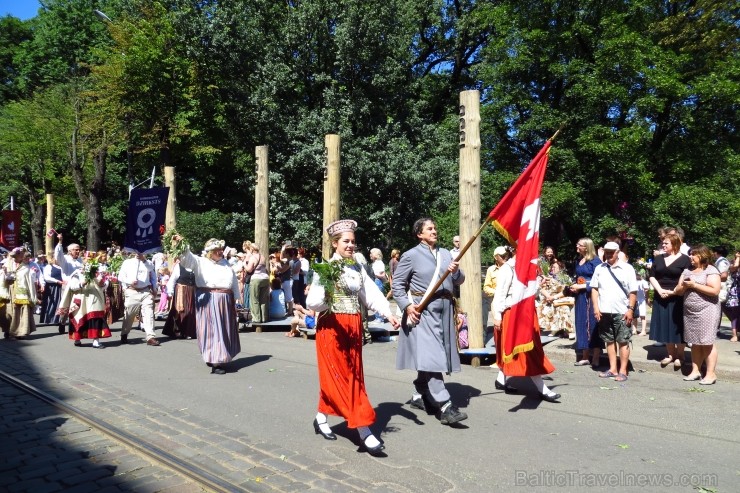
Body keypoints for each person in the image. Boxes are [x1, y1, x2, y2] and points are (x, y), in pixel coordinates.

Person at [306, 219, 399, 455]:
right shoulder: (326, 269)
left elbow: (371, 294)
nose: (350, 246)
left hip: (354, 326)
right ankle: (364, 430)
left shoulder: (357, 267)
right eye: (346, 242)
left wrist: (388, 313)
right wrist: (327, 292)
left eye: (353, 242)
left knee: (351, 375)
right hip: (333, 328)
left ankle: (321, 417)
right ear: (335, 244)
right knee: (345, 379)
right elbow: (312, 303)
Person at [391, 217, 468, 425]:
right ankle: (445, 406)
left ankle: (420, 391)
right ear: (420, 234)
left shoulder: (445, 253)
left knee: (434, 353)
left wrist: (455, 271)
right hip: (423, 312)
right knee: (433, 356)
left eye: (435, 228)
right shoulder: (410, 255)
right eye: (429, 228)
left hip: (445, 311)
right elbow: (397, 285)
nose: (434, 231)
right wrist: (407, 307)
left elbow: (460, 280)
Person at [492, 246, 560, 402]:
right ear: (516, 251)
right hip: (512, 313)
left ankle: (501, 379)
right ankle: (542, 388)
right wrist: (497, 316)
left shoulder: (527, 268)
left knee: (516, 349)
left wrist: (539, 283)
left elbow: (530, 293)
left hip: (527, 313)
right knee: (527, 351)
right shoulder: (507, 269)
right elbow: (500, 294)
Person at [173, 237, 241, 374]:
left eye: (221, 250)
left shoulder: (226, 264)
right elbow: (187, 258)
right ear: (210, 252)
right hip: (208, 299)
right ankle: (216, 362)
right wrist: (182, 243)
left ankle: (216, 355)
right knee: (212, 330)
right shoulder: (200, 262)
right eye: (217, 250)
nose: (220, 252)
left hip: (225, 300)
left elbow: (233, 281)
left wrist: (236, 298)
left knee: (224, 329)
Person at [590, 242, 637, 382]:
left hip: (622, 311)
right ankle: (612, 369)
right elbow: (594, 289)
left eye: (612, 252)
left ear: (617, 252)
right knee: (609, 341)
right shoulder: (599, 268)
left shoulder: (627, 268)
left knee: (623, 341)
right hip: (604, 311)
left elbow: (633, 291)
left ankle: (623, 371)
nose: (609, 254)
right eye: (607, 252)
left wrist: (630, 309)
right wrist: (596, 308)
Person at [674, 245, 721, 385]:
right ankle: (695, 371)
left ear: (702, 256)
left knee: (707, 342)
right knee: (694, 342)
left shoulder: (711, 270)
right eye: (690, 254)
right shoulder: (687, 270)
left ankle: (711, 374)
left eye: (693, 254)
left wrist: (694, 285)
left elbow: (715, 291)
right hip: (690, 312)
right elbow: (678, 290)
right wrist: (684, 286)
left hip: (707, 310)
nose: (690, 257)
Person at [649, 232, 691, 368]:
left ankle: (680, 355)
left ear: (675, 244)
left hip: (678, 296)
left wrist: (673, 292)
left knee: (677, 326)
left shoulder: (685, 259)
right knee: (665, 326)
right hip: (661, 296)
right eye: (663, 243)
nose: (663, 245)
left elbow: (685, 278)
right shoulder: (659, 258)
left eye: (666, 243)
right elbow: (652, 276)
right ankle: (670, 354)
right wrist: (660, 290)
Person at [57, 254, 111, 348]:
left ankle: (95, 341)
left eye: (91, 259)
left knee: (95, 318)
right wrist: (81, 284)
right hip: (81, 298)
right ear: (83, 261)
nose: (89, 261)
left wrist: (103, 283)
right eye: (87, 259)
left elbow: (105, 284)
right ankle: (77, 338)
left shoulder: (98, 272)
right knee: (79, 317)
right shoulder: (78, 272)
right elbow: (72, 287)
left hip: (94, 298)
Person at [571, 238, 604, 367]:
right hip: (580, 297)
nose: (577, 246)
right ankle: (585, 356)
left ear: (587, 247)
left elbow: (600, 278)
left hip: (592, 296)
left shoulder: (595, 261)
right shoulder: (579, 260)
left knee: (593, 323)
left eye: (580, 245)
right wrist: (574, 286)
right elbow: (578, 277)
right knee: (581, 323)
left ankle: (595, 357)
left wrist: (584, 286)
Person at [118, 252, 161, 347]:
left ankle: (150, 337)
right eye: (137, 252)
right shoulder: (127, 262)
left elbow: (153, 275)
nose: (138, 254)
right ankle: (124, 333)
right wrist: (128, 284)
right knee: (129, 314)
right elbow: (121, 276)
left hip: (145, 291)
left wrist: (154, 288)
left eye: (141, 252)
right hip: (132, 291)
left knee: (149, 313)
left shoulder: (148, 263)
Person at [7, 248, 38, 340]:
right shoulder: (12, 266)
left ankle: (22, 332)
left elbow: (30, 283)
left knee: (23, 313)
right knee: (13, 313)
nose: (15, 258)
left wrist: (32, 296)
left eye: (16, 256)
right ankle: (13, 331)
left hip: (23, 294)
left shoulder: (26, 268)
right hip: (13, 293)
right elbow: (8, 278)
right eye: (14, 257)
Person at [162, 260, 197, 339]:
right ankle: (178, 330)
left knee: (191, 311)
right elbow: (172, 279)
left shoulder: (195, 267)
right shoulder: (179, 266)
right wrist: (170, 292)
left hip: (192, 291)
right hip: (181, 290)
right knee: (180, 310)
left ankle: (188, 331)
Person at [247, 244, 270, 324]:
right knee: (263, 299)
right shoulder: (262, 257)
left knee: (254, 299)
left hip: (256, 279)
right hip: (265, 278)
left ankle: (256, 318)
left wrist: (244, 265)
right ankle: (264, 317)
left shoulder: (252, 258)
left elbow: (249, 270)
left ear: (252, 249)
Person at [40, 256, 64, 332]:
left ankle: (60, 319)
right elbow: (46, 277)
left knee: (61, 303)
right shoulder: (48, 267)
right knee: (52, 303)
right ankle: (50, 318)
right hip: (52, 287)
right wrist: (56, 281)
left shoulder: (62, 267)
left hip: (62, 286)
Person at [725, 251, 740, 342]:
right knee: (735, 314)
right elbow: (733, 268)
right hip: (736, 291)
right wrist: (738, 258)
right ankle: (734, 335)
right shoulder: (733, 264)